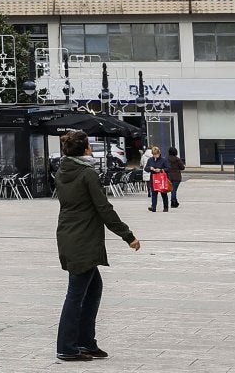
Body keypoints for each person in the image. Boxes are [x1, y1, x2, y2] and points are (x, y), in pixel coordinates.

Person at [54, 129, 140, 362]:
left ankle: (85, 343)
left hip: (69, 235)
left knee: (92, 290)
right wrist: (128, 236)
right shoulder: (87, 173)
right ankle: (67, 347)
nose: (92, 149)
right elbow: (104, 208)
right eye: (89, 145)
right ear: (84, 149)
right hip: (83, 239)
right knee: (75, 294)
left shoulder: (63, 170)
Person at [143, 146, 171, 213]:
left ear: (159, 153)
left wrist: (161, 170)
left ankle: (166, 207)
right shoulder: (150, 160)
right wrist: (150, 168)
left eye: (156, 154)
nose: (155, 156)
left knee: (163, 193)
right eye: (154, 154)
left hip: (161, 179)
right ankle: (153, 207)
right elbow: (145, 168)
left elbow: (168, 169)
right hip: (153, 178)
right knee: (154, 193)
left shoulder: (163, 160)